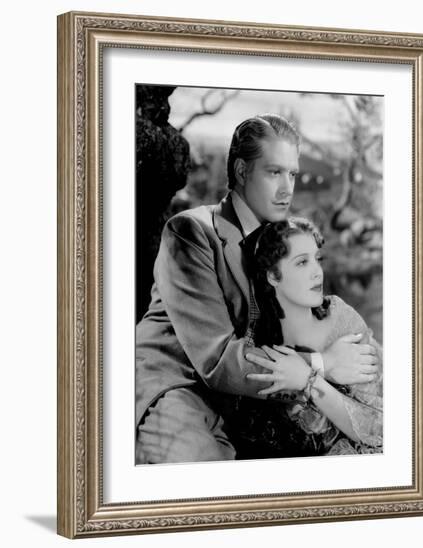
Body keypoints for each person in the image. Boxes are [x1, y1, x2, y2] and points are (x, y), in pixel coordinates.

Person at [135, 113, 379, 464]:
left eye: (292, 174)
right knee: (207, 471)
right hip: (179, 382)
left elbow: (312, 313)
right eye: (274, 172)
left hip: (248, 397)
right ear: (241, 171)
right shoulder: (190, 232)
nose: (287, 189)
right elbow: (216, 359)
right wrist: (322, 364)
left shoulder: (283, 238)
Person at [241, 217, 382, 456]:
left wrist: (309, 379)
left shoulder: (342, 319)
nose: (317, 272)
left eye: (317, 259)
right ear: (273, 276)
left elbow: (376, 429)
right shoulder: (253, 341)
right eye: (302, 263)